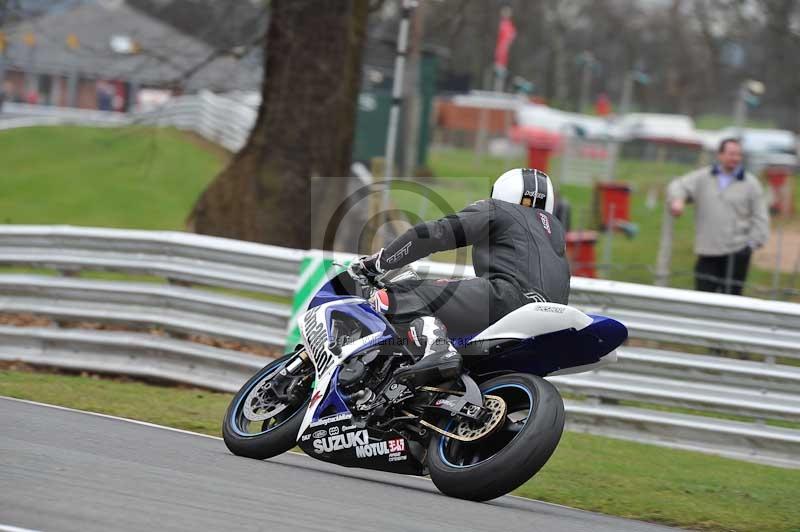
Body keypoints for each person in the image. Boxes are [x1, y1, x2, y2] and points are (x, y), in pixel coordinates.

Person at [350, 168, 570, 387]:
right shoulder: (556, 233)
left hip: (505, 298)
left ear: (502, 191)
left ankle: (437, 350)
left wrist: (378, 263)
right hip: (551, 317)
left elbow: (435, 234)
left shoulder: (498, 209)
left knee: (400, 294)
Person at [667, 138, 769, 295]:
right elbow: (678, 185)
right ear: (720, 155)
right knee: (703, 297)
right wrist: (678, 200)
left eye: (738, 154)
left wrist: (751, 245)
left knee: (731, 299)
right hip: (707, 250)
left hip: (737, 252)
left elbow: (760, 216)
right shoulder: (703, 177)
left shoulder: (750, 183)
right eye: (731, 154)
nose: (735, 158)